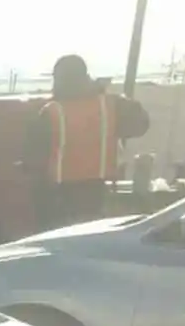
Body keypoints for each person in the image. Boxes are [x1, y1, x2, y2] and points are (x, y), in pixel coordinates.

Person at [25, 54, 151, 230]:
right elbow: (141, 125)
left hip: (61, 200)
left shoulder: (51, 112)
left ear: (59, 81)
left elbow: (32, 160)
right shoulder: (111, 105)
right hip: (100, 196)